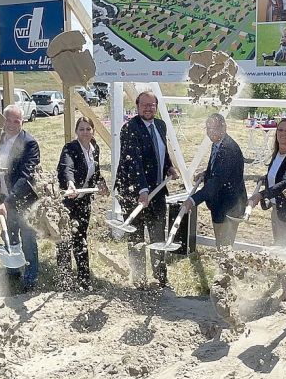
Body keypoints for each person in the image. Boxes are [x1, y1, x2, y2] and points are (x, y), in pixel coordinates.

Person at [115, 90, 179, 286]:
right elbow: (134, 162)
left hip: (157, 191)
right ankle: (139, 279)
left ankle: (161, 278)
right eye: (145, 105)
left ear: (156, 107)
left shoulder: (160, 126)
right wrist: (142, 190)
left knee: (158, 234)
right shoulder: (130, 129)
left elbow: (161, 151)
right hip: (133, 192)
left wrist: (169, 166)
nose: (148, 108)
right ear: (137, 106)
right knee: (136, 237)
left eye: (152, 105)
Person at [247, 118, 286, 303]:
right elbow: (273, 176)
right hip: (279, 209)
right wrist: (264, 180)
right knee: (282, 248)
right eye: (280, 130)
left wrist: (261, 195)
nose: (283, 134)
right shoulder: (277, 154)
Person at [57, 117, 109, 288]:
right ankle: (64, 279)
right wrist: (70, 184)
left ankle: (84, 280)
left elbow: (96, 172)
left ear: (93, 131)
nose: (85, 132)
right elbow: (67, 167)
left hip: (84, 201)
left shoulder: (95, 149)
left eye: (88, 129)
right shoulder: (70, 148)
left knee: (81, 238)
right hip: (68, 201)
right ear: (76, 131)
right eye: (81, 129)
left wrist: (102, 184)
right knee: (64, 239)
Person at [181, 114, 247, 248]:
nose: (211, 132)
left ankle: (225, 268)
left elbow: (216, 182)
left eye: (215, 128)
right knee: (221, 242)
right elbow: (218, 170)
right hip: (220, 203)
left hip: (229, 205)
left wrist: (192, 201)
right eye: (208, 128)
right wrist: (205, 174)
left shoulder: (228, 149)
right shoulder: (217, 143)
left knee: (224, 245)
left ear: (224, 127)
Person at [0, 104, 41, 292]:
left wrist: (8, 201)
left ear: (22, 122)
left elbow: (26, 176)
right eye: (9, 120)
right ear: (3, 120)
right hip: (4, 195)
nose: (12, 124)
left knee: (28, 238)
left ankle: (30, 278)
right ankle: (13, 270)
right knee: (9, 234)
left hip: (24, 200)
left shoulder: (29, 143)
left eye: (17, 121)